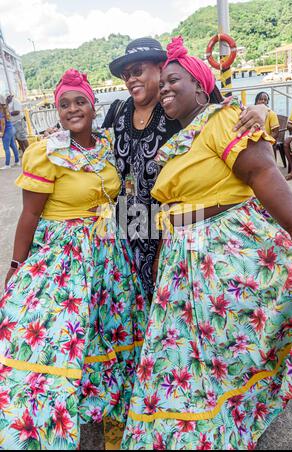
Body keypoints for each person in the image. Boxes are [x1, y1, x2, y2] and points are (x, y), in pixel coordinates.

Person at [121, 36, 292, 450]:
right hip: (169, 250)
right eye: (157, 82)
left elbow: (262, 174)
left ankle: (222, 422)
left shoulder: (220, 119)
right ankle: (193, 431)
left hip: (218, 246)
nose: (162, 87)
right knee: (184, 357)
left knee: (224, 345)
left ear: (201, 87)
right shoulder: (151, 126)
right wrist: (158, 257)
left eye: (172, 80)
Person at [0, 69, 147, 450]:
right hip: (64, 259)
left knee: (108, 330)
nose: (72, 109)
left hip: (109, 255)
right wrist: (16, 266)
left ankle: (112, 416)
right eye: (64, 104)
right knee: (59, 336)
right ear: (58, 112)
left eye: (79, 101)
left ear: (93, 105)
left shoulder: (107, 146)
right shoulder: (46, 152)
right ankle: (52, 426)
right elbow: (29, 215)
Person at [104, 37, 269, 298]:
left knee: (167, 288)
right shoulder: (118, 110)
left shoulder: (173, 106)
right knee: (133, 286)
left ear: (160, 68)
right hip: (129, 213)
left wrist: (260, 109)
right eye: (126, 75)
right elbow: (99, 148)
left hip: (168, 216)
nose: (131, 79)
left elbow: (217, 109)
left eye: (138, 71)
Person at [0, 94, 20, 169]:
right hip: (11, 129)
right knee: (13, 146)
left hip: (7, 131)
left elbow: (3, 124)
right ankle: (17, 161)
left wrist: (2, 133)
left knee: (6, 148)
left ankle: (7, 164)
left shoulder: (1, 112)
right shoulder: (6, 110)